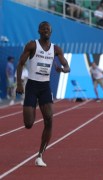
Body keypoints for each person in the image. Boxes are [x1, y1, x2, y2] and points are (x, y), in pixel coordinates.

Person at [15, 21, 70, 167]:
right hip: (32, 86)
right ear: (39, 30)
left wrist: (63, 70)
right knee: (28, 124)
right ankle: (30, 108)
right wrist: (20, 83)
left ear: (51, 32)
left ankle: (40, 155)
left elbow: (67, 66)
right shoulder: (32, 45)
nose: (46, 31)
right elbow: (20, 64)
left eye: (49, 29)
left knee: (49, 119)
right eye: (44, 29)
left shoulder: (56, 49)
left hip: (45, 87)